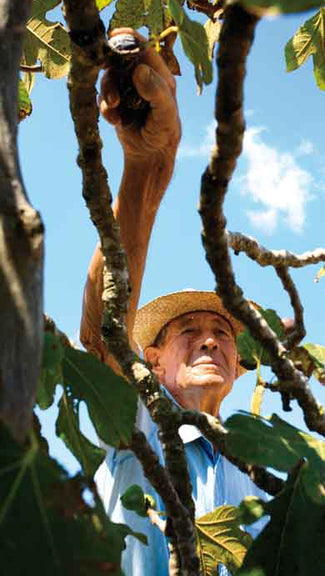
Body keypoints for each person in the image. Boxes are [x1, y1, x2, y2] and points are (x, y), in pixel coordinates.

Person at [80, 29, 268, 576]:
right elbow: (102, 336)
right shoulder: (137, 422)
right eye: (189, 330)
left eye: (224, 332)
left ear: (237, 365)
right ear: (154, 358)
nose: (211, 337)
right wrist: (147, 169)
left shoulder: (255, 478)